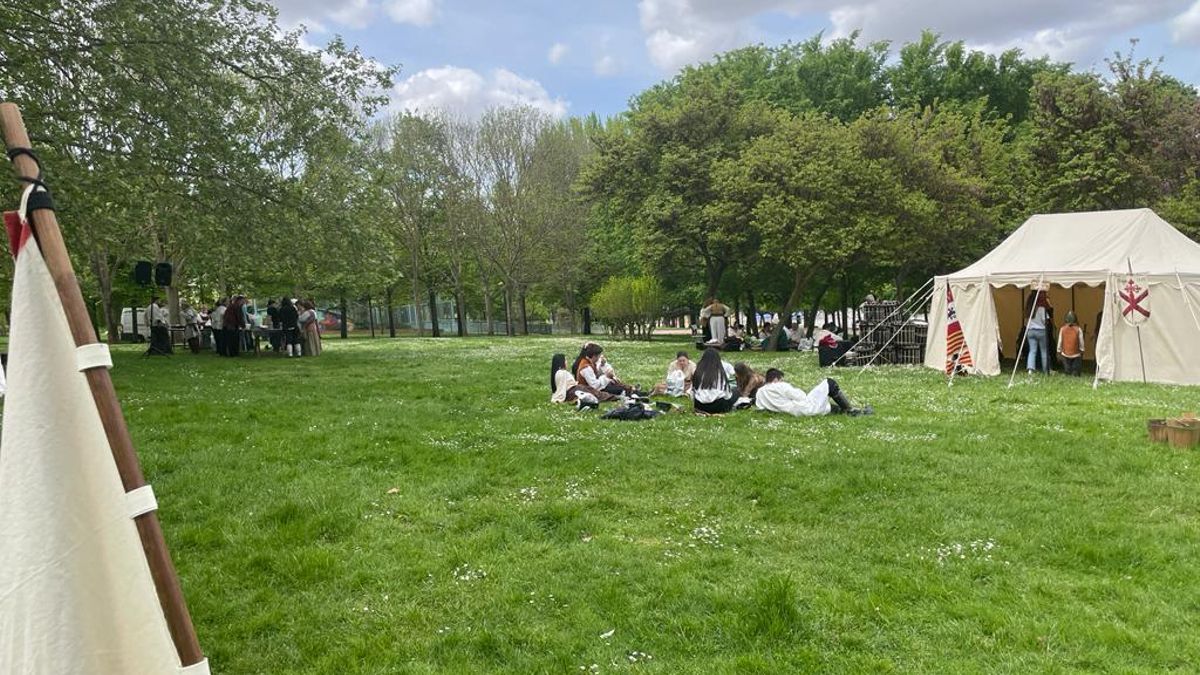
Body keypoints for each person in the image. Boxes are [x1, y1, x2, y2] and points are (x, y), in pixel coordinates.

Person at [755, 368, 870, 417]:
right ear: (776, 379)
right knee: (829, 383)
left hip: (792, 411)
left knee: (830, 407)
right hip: (801, 409)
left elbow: (760, 407)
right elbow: (801, 396)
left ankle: (856, 411)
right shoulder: (780, 386)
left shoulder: (760, 392)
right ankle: (851, 410)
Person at [692, 347, 736, 414]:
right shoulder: (720, 372)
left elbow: (693, 390)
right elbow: (727, 394)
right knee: (736, 392)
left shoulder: (698, 371)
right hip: (718, 406)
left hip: (700, 405)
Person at [1025, 290, 1052, 374]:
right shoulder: (1041, 309)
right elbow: (1045, 321)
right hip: (1041, 331)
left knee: (1032, 351)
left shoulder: (1029, 309)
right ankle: (1045, 370)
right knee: (1043, 351)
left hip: (1030, 331)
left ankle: (1030, 369)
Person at [1057, 311, 1085, 377]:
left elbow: (1060, 341)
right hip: (1076, 354)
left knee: (1067, 370)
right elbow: (1081, 341)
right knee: (1075, 370)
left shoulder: (1062, 329)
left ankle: (1068, 373)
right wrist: (1082, 349)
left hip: (1065, 353)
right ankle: (1074, 373)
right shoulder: (1078, 329)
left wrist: (1058, 350)